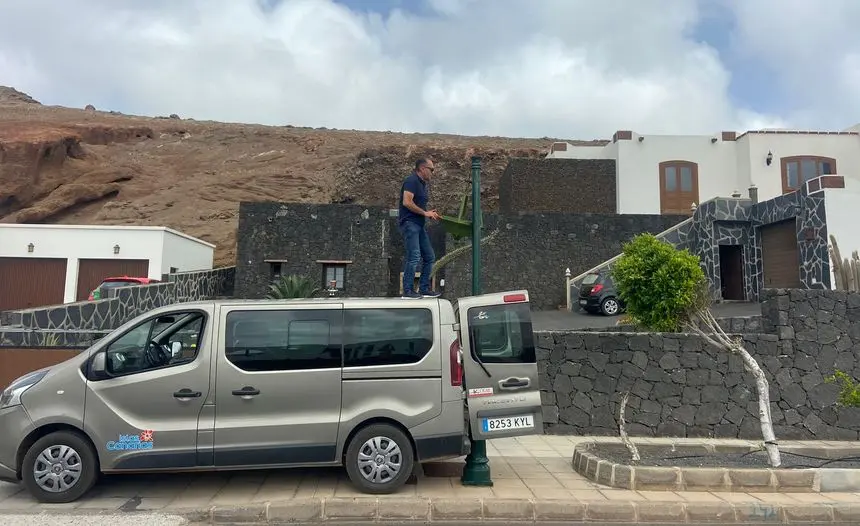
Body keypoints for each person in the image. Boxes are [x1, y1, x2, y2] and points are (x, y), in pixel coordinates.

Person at [399, 158, 442, 298]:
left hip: (419, 225)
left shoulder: (422, 184)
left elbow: (416, 204)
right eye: (431, 169)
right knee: (414, 257)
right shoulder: (411, 181)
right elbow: (407, 202)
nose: (432, 173)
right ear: (422, 169)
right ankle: (408, 290)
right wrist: (425, 213)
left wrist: (428, 213)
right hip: (410, 224)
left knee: (429, 257)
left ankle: (424, 288)